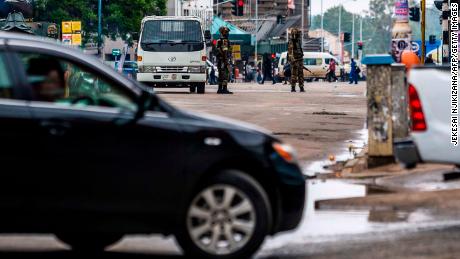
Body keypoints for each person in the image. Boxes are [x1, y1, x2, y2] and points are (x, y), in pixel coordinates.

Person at [214, 26, 233, 94]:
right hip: (223, 61)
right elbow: (225, 52)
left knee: (220, 75)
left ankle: (220, 89)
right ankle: (224, 89)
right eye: (227, 32)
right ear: (224, 33)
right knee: (225, 75)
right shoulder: (225, 41)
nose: (228, 34)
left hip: (219, 61)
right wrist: (226, 62)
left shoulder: (218, 41)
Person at [287, 28, 305, 92]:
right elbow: (290, 52)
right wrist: (293, 60)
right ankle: (293, 87)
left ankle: (301, 87)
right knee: (294, 75)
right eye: (298, 34)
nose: (299, 35)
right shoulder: (292, 41)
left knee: (301, 74)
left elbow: (300, 50)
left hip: (300, 59)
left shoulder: (298, 41)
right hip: (295, 60)